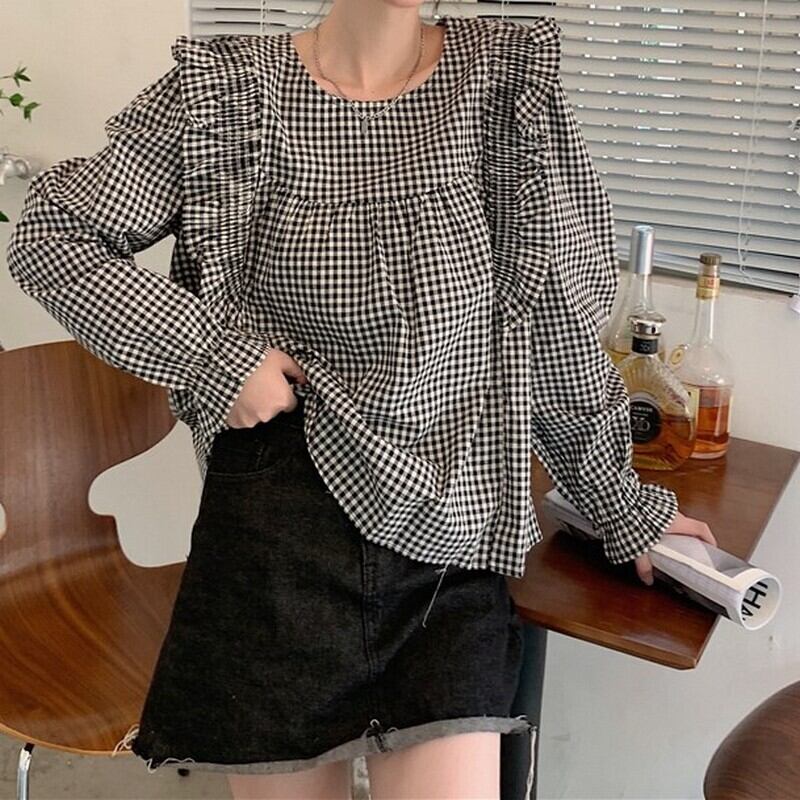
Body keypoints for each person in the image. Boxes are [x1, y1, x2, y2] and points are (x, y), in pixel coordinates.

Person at [6, 0, 717, 797]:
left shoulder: (504, 84)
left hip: (448, 546)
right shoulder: (223, 94)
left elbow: (551, 319)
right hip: (276, 538)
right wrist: (216, 355)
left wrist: (617, 504)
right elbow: (52, 237)